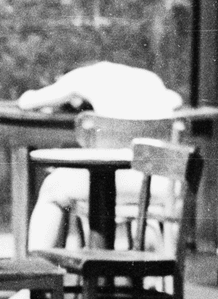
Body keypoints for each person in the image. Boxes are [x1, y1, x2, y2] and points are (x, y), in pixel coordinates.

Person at [17, 61, 184, 253]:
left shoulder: (82, 76)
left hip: (117, 180)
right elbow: (176, 100)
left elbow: (27, 102)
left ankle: (36, 274)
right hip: (161, 185)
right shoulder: (150, 78)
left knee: (52, 186)